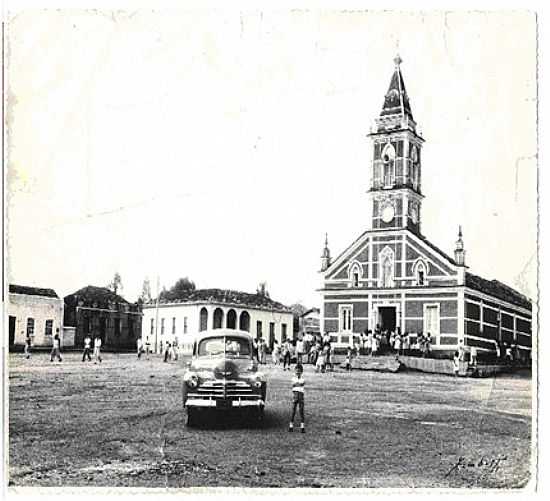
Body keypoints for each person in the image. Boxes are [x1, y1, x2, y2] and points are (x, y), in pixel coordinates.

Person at [289, 363, 305, 433]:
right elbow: (293, 385)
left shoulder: (303, 379)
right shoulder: (293, 378)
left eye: (299, 371)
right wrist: (297, 384)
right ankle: (291, 426)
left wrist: (296, 384)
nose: (298, 372)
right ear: (295, 371)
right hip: (295, 395)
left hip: (301, 396)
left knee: (301, 411)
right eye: (296, 371)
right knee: (293, 411)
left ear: (301, 372)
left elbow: (300, 384)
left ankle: (302, 427)